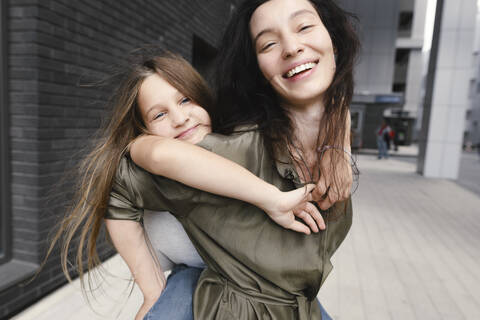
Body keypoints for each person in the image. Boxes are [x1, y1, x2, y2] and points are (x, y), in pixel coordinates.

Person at [45, 50, 325, 320]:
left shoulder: (244, 141)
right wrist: (152, 291)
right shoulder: (145, 164)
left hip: (269, 286)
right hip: (195, 278)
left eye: (186, 100)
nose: (180, 119)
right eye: (159, 115)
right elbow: (153, 162)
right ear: (144, 129)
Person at [123, 0, 359, 318]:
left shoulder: (318, 131)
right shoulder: (226, 152)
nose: (292, 47)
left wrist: (339, 144)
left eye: (304, 26)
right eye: (269, 43)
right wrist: (151, 291)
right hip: (215, 284)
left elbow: (332, 96)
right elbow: (125, 174)